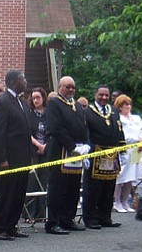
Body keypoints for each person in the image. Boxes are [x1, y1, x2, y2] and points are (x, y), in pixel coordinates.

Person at [0, 70, 32, 241]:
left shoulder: (21, 101)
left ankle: (11, 225)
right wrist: (2, 159)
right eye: (23, 79)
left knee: (18, 194)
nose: (26, 81)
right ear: (14, 82)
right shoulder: (2, 102)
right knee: (6, 194)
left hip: (22, 158)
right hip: (9, 160)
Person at [44, 77, 88, 235]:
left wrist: (85, 145)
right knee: (57, 188)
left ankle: (68, 219)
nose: (71, 90)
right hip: (60, 151)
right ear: (60, 87)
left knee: (73, 187)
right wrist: (72, 146)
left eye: (73, 87)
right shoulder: (54, 104)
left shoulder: (77, 105)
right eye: (68, 87)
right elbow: (56, 128)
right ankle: (53, 222)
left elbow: (83, 126)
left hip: (76, 153)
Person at [82, 85, 125, 229]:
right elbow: (85, 133)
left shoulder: (113, 111)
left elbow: (119, 130)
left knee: (108, 187)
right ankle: (90, 218)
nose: (104, 98)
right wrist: (87, 153)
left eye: (106, 95)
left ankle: (105, 216)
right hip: (96, 154)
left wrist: (122, 150)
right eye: (101, 95)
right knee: (94, 188)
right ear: (95, 95)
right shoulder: (87, 112)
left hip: (112, 155)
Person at [113, 94, 142, 213]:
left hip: (135, 151)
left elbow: (141, 131)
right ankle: (117, 202)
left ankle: (125, 201)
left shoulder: (135, 118)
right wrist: (136, 139)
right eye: (126, 104)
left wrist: (141, 142)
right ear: (120, 106)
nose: (128, 106)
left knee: (130, 177)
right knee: (121, 177)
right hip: (124, 149)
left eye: (129, 104)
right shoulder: (118, 119)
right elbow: (123, 135)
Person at [25, 87, 48, 224]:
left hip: (46, 151)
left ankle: (41, 214)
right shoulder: (29, 114)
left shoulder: (48, 114)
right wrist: (38, 146)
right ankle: (30, 214)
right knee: (32, 182)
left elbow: (52, 130)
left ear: (43, 98)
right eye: (33, 98)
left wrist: (45, 146)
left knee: (43, 182)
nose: (35, 100)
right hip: (33, 151)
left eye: (38, 97)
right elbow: (27, 133)